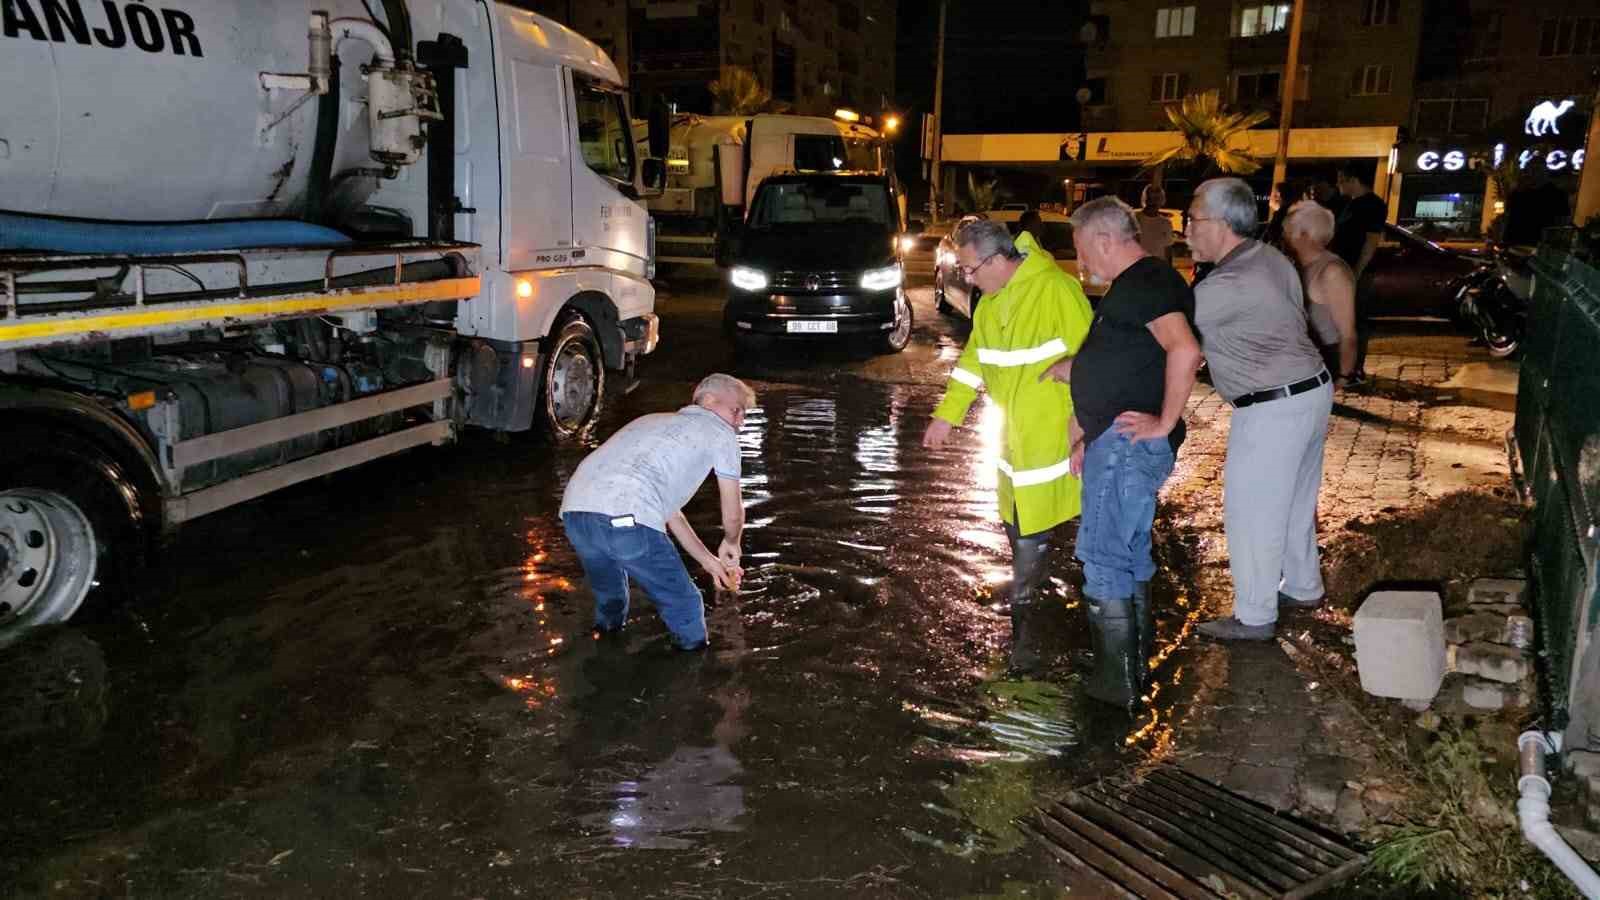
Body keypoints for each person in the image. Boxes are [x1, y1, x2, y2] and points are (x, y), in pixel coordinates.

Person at [1046, 197, 1201, 706]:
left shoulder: (1147, 283)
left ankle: (1115, 691)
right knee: (1128, 553)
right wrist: (1075, 374)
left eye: (1082, 250)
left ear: (1105, 240)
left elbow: (1184, 348)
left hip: (1127, 446)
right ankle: (1135, 667)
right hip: (1113, 444)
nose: (1082, 262)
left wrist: (1165, 422)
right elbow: (1130, 360)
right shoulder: (1135, 289)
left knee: (1102, 558)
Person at [923, 218, 1095, 672]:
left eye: (971, 268)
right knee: (1018, 516)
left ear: (998, 260)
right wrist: (947, 415)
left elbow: (1093, 363)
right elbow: (973, 362)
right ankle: (1031, 601)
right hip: (1014, 435)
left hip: (1053, 432)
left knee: (1039, 521)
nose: (967, 278)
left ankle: (1030, 619)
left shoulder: (1057, 291)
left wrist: (1084, 432)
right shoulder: (991, 302)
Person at [1186, 178, 1333, 642]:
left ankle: (1254, 616)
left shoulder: (1229, 282)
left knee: (1252, 513)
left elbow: (1165, 331)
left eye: (1193, 220)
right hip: (1310, 392)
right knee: (1292, 503)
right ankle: (1305, 584)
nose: (1186, 230)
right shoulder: (1269, 257)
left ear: (1223, 224)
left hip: (1271, 407)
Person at [560, 374, 754, 651]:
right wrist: (732, 541)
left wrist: (710, 562)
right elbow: (733, 512)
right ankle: (692, 677)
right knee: (685, 605)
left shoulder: (651, 422)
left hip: (576, 513)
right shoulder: (719, 432)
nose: (740, 421)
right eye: (736, 410)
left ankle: (603, 649)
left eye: (744, 415)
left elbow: (669, 512)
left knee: (611, 598)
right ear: (708, 400)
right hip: (627, 517)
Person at [1284, 200, 1359, 385]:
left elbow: (1347, 332)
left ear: (1304, 235)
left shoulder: (1332, 271)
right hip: (1298, 360)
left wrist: (1343, 376)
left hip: (1321, 363)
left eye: (1287, 231)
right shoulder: (1296, 265)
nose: (1284, 236)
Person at [1333, 163, 1387, 382]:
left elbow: (1371, 242)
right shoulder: (1349, 204)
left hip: (1357, 272)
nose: (1338, 184)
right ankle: (1344, 366)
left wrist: (1355, 273)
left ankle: (1355, 369)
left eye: (1340, 179)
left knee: (1354, 320)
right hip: (1343, 271)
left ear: (1352, 180)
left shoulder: (1373, 205)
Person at [1136, 185, 1175, 261]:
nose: (1153, 202)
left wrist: (1169, 270)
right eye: (1150, 198)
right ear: (1145, 199)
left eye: (1156, 198)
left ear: (1161, 201)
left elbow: (1168, 250)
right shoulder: (1134, 220)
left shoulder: (1166, 223)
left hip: (1158, 269)